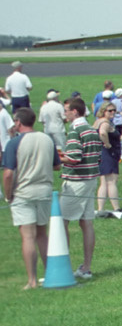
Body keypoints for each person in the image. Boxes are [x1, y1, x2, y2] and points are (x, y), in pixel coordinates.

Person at [3, 108, 59, 288]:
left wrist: (8, 195)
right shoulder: (47, 139)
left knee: (28, 237)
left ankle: (32, 280)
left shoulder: (14, 143)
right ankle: (51, 274)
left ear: (18, 122)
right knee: (42, 234)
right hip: (44, 190)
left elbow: (8, 174)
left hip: (23, 192)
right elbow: (56, 166)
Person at [59, 97, 102, 280]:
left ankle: (62, 266)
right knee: (86, 223)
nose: (65, 114)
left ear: (75, 112)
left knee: (61, 222)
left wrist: (57, 158)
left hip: (76, 181)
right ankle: (86, 266)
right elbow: (96, 155)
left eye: (66, 110)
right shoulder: (93, 130)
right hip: (91, 179)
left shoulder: (75, 130)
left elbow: (74, 158)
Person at [94, 101, 122, 214]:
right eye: (110, 110)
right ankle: (116, 207)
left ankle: (100, 208)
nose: (113, 113)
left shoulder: (97, 122)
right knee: (112, 181)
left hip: (100, 153)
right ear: (103, 111)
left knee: (103, 181)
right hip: (108, 153)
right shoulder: (105, 123)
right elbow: (102, 133)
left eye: (114, 110)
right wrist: (108, 144)